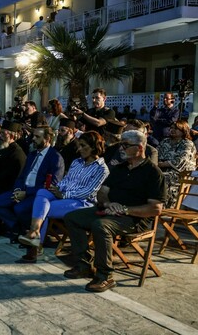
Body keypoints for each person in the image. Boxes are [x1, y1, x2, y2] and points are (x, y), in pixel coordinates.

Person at [63, 130, 166, 292]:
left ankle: (105, 276)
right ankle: (84, 264)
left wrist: (125, 209)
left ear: (139, 148)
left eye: (125, 145)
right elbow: (102, 192)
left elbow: (155, 208)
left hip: (133, 218)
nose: (120, 149)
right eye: (120, 144)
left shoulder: (153, 173)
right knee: (71, 217)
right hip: (109, 210)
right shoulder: (119, 168)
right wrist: (109, 204)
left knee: (100, 225)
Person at [17, 131, 109, 263]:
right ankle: (35, 232)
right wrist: (57, 188)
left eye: (83, 146)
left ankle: (35, 246)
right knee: (42, 193)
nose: (79, 149)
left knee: (44, 209)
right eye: (79, 145)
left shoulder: (102, 169)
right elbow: (66, 180)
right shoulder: (77, 162)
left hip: (82, 203)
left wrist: (64, 194)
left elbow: (88, 192)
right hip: (64, 197)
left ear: (94, 146)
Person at [0, 126, 65, 245]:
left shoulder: (55, 157)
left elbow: (52, 185)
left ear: (48, 138)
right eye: (33, 136)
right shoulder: (32, 155)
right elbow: (21, 176)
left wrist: (27, 193)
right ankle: (17, 227)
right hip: (21, 190)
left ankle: (26, 231)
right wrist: (18, 190)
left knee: (20, 209)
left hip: (37, 194)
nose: (33, 139)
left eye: (37, 137)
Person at [157, 120, 196, 207]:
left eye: (176, 128)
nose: (172, 130)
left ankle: (163, 206)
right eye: (171, 128)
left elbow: (180, 161)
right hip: (161, 168)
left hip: (180, 173)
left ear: (183, 130)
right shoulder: (165, 141)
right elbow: (155, 154)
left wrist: (160, 164)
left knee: (163, 177)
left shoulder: (187, 143)